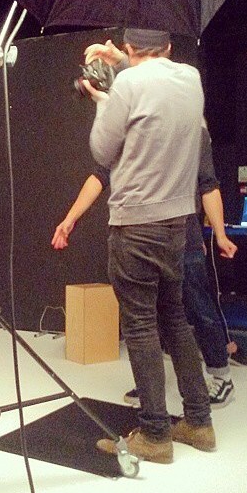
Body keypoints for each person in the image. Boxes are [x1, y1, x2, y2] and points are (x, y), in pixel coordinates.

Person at [80, 28, 213, 464]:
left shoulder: (128, 86)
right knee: (175, 320)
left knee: (139, 327)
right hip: (176, 224)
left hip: (135, 226)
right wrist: (121, 62)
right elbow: (154, 83)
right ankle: (199, 422)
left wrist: (103, 101)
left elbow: (102, 150)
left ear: (130, 47)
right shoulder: (190, 79)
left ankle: (156, 435)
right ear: (169, 48)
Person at [53, 131, 239, 409]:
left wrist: (220, 235)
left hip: (182, 237)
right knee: (144, 317)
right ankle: (151, 384)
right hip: (139, 239)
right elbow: (100, 176)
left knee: (197, 309)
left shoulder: (191, 131)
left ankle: (220, 377)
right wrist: (70, 218)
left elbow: (208, 186)